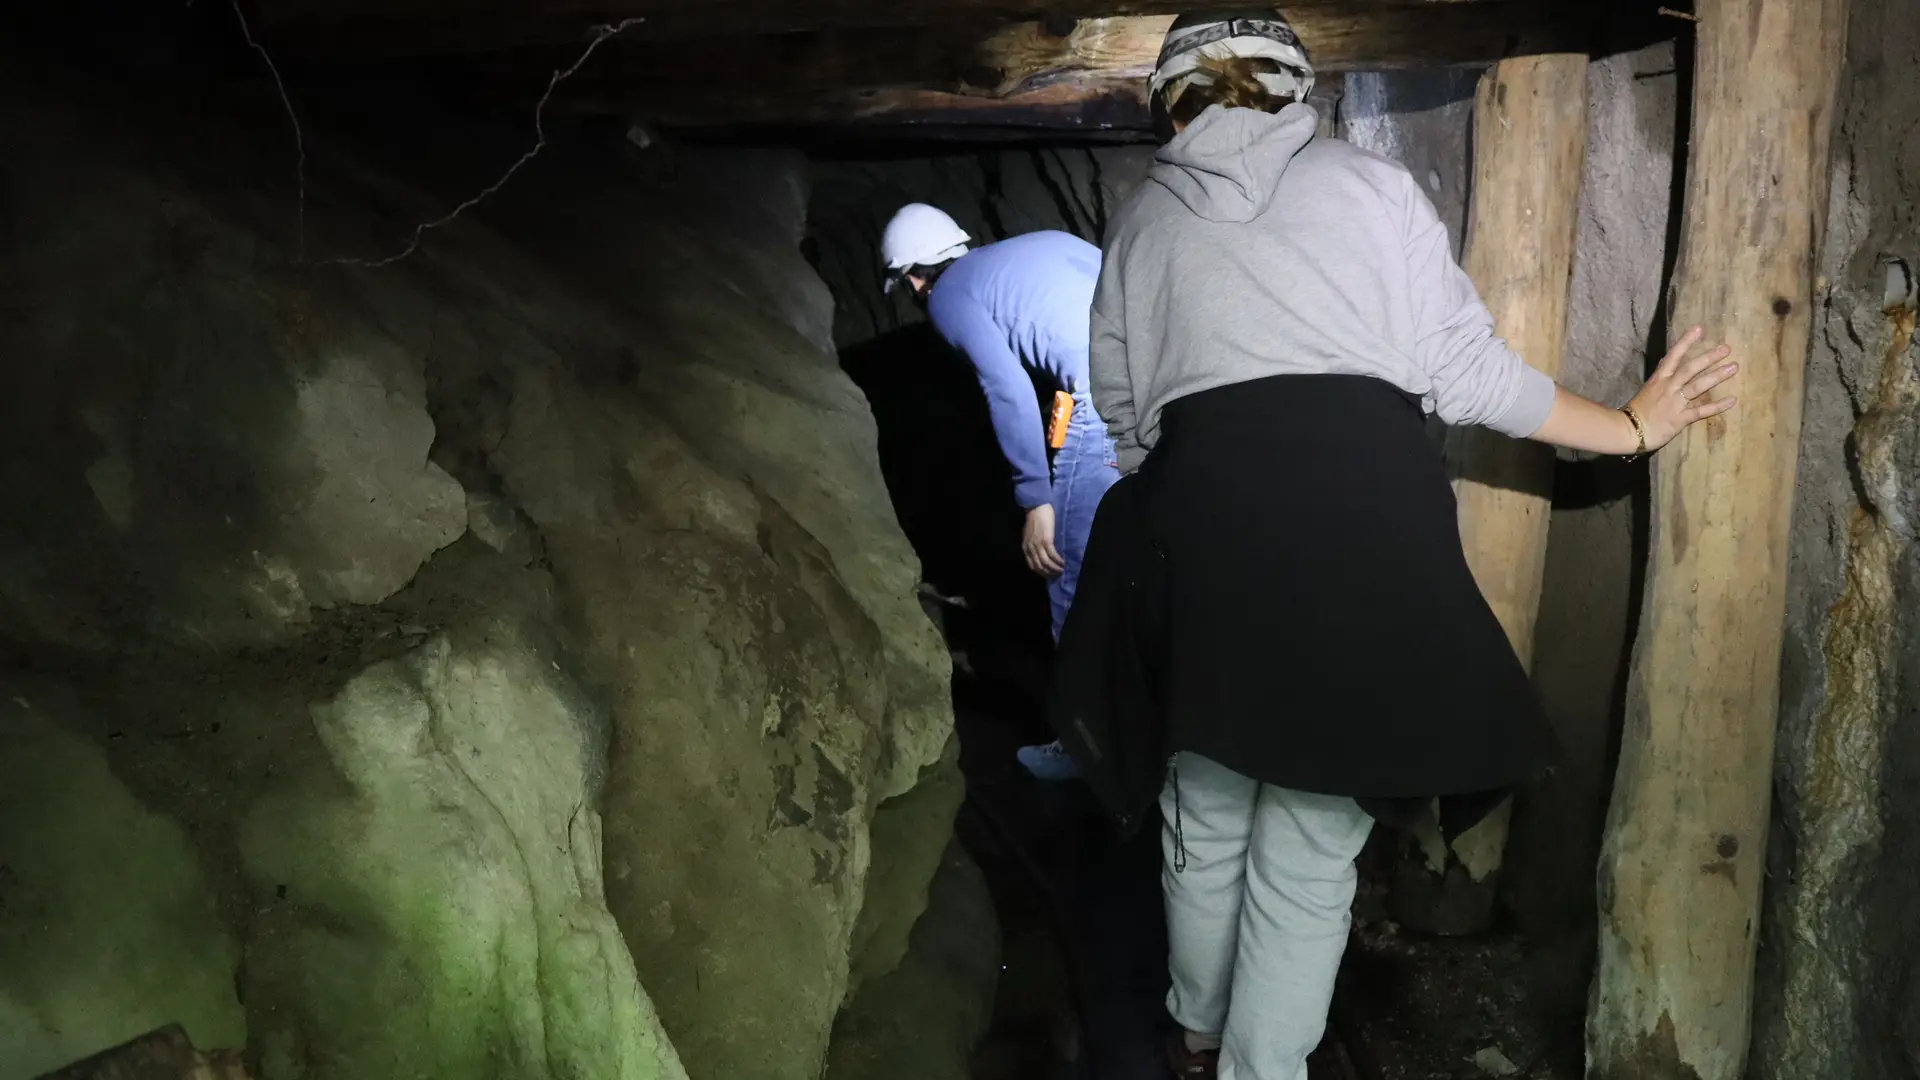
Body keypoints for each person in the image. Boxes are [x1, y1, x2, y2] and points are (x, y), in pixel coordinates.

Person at [1085, 11, 1740, 1080]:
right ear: (1295, 84)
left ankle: (1195, 1034)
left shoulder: (1142, 226)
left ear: (1173, 100)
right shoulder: (1370, 187)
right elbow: (1466, 373)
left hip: (1198, 528)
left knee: (1202, 809)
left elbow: (1126, 418)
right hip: (1362, 526)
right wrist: (1631, 428)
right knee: (1304, 840)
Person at [881, 202, 1121, 780]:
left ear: (914, 275)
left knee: (1065, 570)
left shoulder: (947, 297)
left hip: (1103, 396)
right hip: (1162, 379)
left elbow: (1006, 388)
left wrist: (1035, 499)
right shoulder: (1033, 245)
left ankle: (1085, 747)